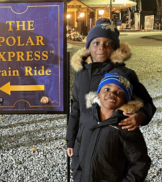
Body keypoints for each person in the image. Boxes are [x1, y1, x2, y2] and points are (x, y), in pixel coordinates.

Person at [67, 72, 151, 182]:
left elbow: (141, 162)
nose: (112, 93)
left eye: (119, 92)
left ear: (125, 100)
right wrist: (78, 175)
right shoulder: (87, 117)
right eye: (107, 88)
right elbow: (78, 146)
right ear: (98, 93)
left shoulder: (126, 125)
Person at [66, 17, 156, 152]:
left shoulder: (125, 74)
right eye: (96, 43)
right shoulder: (81, 74)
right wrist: (71, 140)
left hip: (113, 143)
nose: (101, 47)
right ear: (88, 48)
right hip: (84, 141)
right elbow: (76, 108)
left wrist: (141, 116)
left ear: (115, 49)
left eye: (108, 44)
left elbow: (148, 103)